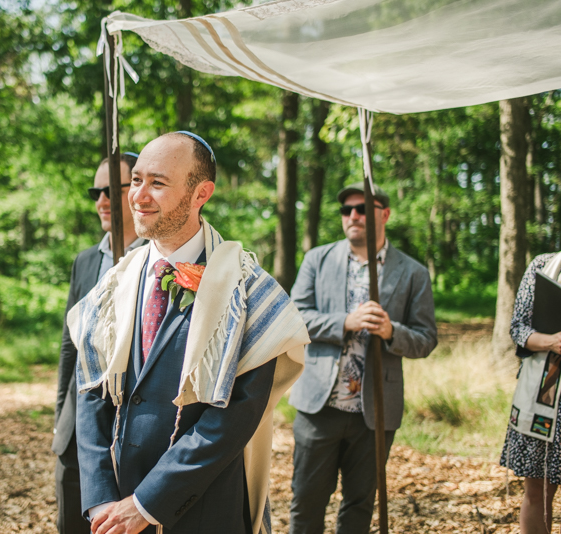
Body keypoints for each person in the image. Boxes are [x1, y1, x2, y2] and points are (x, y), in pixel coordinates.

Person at [67, 132, 310, 534]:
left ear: (201, 193)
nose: (138, 196)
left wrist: (147, 504)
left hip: (206, 510)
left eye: (157, 183)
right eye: (137, 180)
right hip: (115, 512)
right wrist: (100, 501)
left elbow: (236, 417)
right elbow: (91, 392)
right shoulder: (113, 285)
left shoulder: (248, 290)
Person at [287, 182, 438, 534]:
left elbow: (426, 339)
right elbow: (294, 316)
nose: (352, 215)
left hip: (375, 412)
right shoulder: (318, 259)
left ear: (384, 214)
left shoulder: (413, 272)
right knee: (306, 501)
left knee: (359, 506)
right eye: (346, 210)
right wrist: (344, 321)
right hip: (318, 406)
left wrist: (392, 333)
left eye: (362, 209)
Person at [52, 153, 146, 534]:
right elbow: (68, 348)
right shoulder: (85, 261)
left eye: (110, 190)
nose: (101, 201)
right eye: (96, 192)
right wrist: (62, 417)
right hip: (77, 429)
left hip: (133, 430)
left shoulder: (160, 261)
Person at [499, 251, 561, 534]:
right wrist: (552, 341)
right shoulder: (543, 266)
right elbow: (519, 328)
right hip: (546, 402)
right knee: (538, 493)